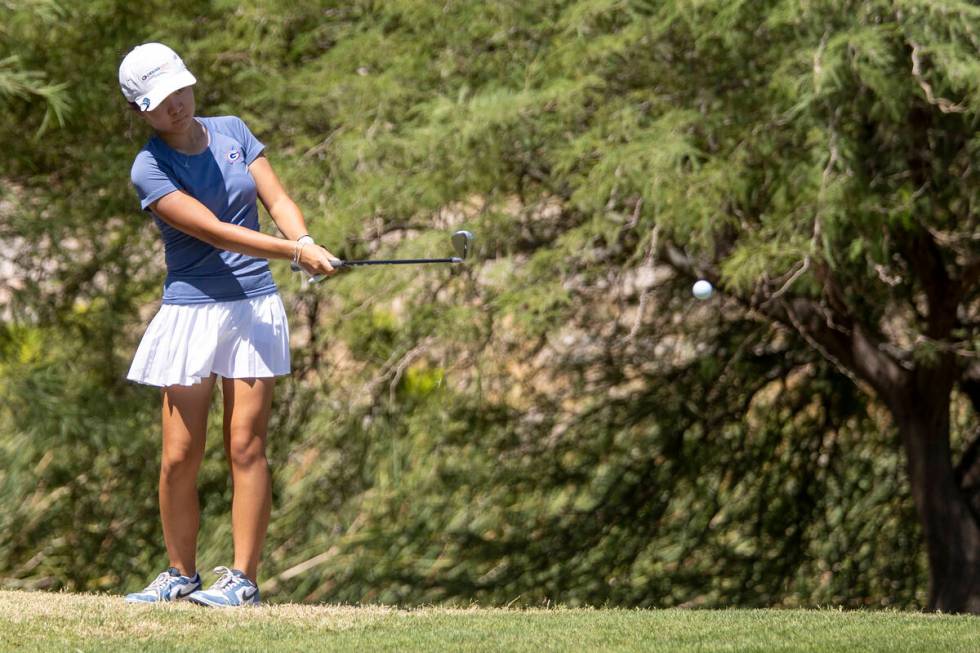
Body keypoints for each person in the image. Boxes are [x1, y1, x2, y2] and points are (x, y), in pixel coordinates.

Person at [118, 42, 337, 607]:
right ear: (141, 110)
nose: (175, 106)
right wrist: (294, 254)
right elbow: (214, 231)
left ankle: (242, 580)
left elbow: (279, 197)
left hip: (252, 307)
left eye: (179, 92)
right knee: (178, 455)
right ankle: (179, 572)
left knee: (246, 446)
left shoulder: (235, 130)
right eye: (160, 101)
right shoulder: (150, 167)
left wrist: (305, 238)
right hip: (190, 311)